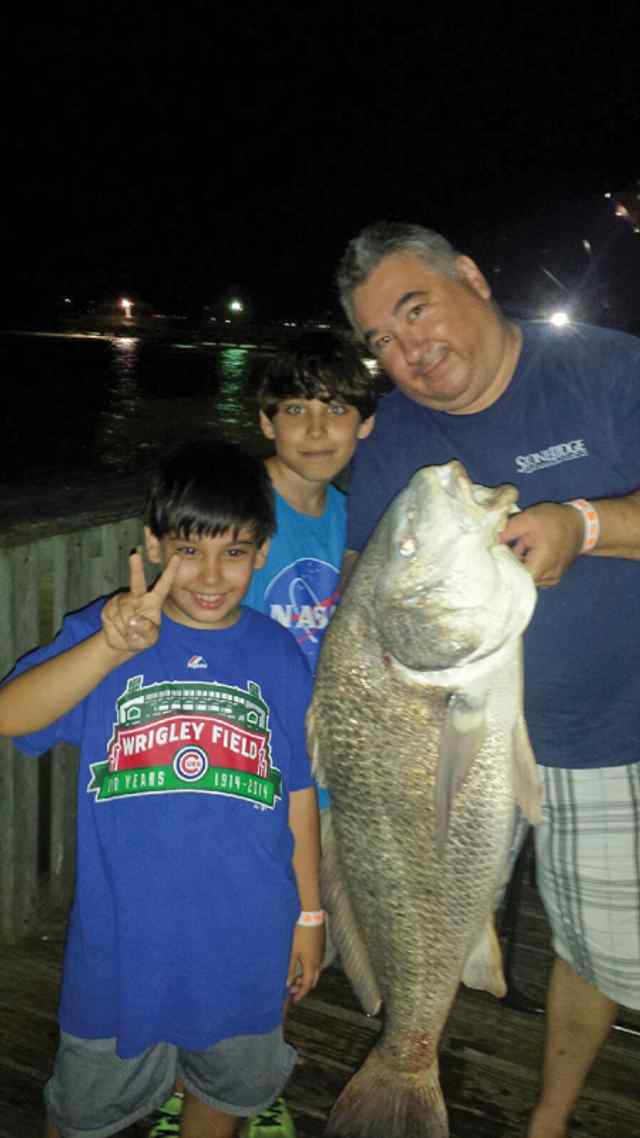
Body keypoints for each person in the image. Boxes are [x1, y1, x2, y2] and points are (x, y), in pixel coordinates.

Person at [335, 220, 640, 1138]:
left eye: (414, 309)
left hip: (612, 735)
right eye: (379, 341)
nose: (406, 352)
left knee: (613, 955)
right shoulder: (393, 441)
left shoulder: (607, 371)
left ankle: (548, 1114)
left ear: (469, 275)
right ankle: (410, 1064)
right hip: (453, 764)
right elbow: (365, 600)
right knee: (431, 919)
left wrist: (584, 526)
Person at [0, 438, 324, 1138]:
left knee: (225, 1097)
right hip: (121, 952)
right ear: (151, 545)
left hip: (250, 941)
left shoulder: (280, 652)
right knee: (82, 1114)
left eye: (234, 553)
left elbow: (297, 793)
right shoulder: (105, 632)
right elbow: (11, 714)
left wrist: (310, 916)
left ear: (263, 551)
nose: (210, 576)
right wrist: (110, 648)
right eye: (188, 550)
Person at [150, 330, 378, 1137]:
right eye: (295, 409)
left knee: (281, 924)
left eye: (338, 408)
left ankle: (243, 1073)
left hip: (309, 750)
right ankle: (196, 1073)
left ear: (366, 426)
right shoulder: (237, 506)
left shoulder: (356, 518)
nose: (317, 428)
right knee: (210, 918)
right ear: (265, 420)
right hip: (225, 750)